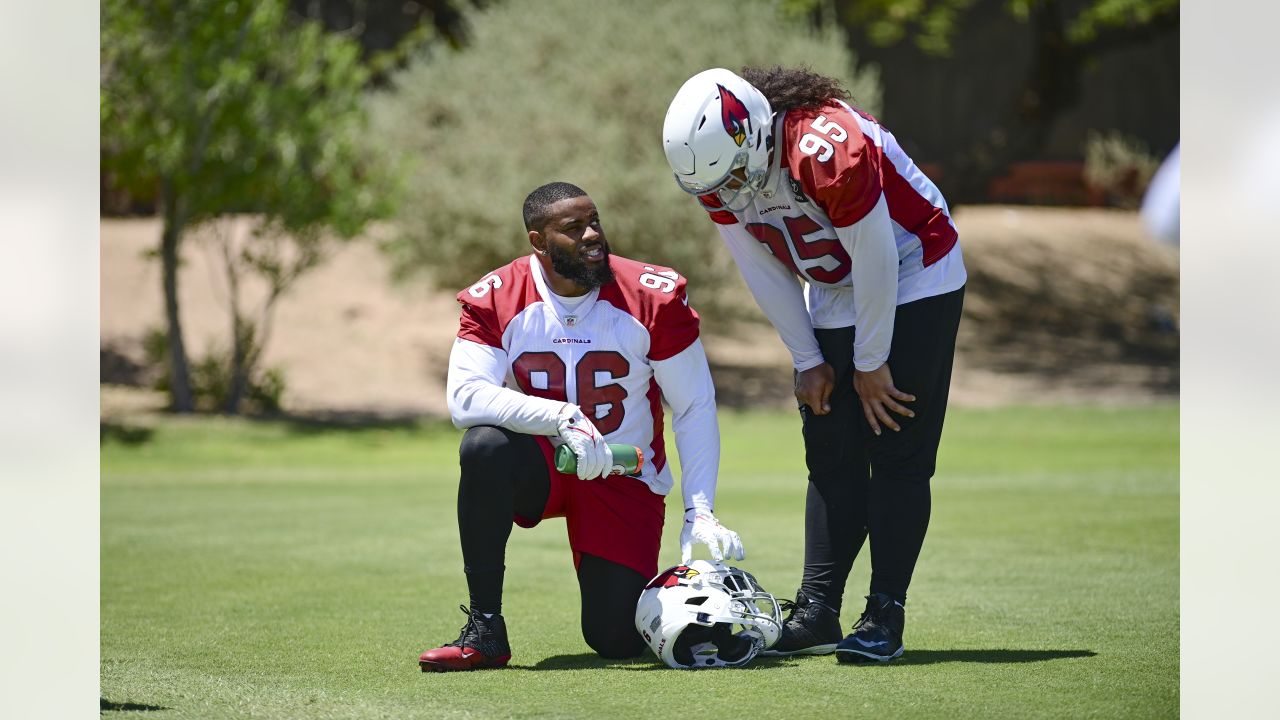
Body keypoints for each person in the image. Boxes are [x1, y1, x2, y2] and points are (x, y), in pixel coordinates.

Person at [661, 67, 967, 663]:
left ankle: (885, 613)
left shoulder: (825, 149)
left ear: (754, 132)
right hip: (834, 282)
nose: (731, 191)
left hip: (912, 268)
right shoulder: (718, 168)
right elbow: (760, 267)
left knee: (895, 443)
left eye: (736, 175)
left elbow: (876, 254)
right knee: (830, 444)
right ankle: (818, 608)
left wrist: (871, 361)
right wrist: (807, 359)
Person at [418, 181, 744, 672]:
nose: (593, 235)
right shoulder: (499, 296)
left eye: (595, 222)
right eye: (573, 228)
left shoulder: (649, 296)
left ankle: (700, 615)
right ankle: (485, 627)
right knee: (483, 447)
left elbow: (694, 404)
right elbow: (465, 399)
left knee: (613, 638)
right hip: (544, 464)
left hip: (621, 473)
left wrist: (700, 508)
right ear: (538, 241)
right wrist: (562, 417)